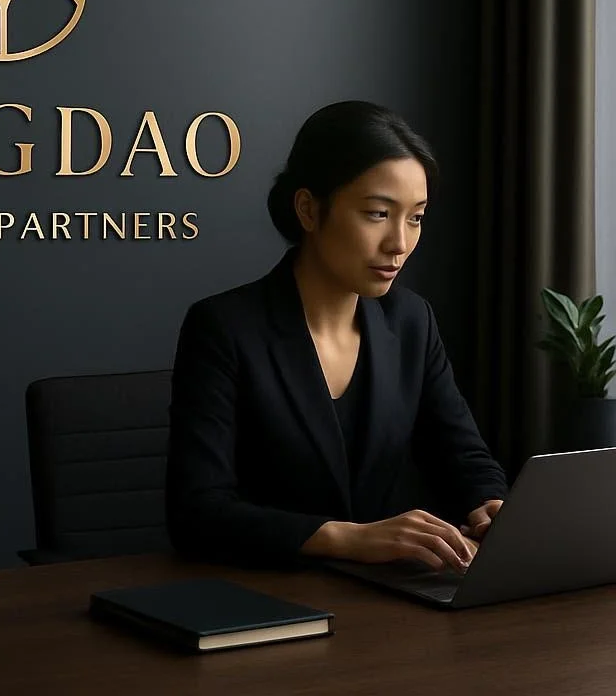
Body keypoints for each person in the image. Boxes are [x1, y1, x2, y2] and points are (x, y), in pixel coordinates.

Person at [165, 100, 507, 574]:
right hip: (265, 592)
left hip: (386, 593)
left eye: (415, 217)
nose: (400, 243)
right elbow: (197, 512)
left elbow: (462, 455)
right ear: (308, 209)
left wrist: (489, 506)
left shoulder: (411, 320)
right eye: (377, 213)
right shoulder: (224, 327)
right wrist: (348, 539)